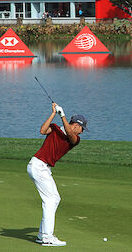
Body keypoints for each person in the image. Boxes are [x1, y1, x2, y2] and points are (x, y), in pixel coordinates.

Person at [27, 102, 87, 247]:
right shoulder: (54, 128)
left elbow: (70, 134)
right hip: (38, 165)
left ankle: (42, 235)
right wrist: (54, 113)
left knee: (54, 198)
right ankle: (47, 237)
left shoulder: (75, 139)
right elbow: (42, 130)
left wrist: (63, 116)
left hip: (43, 168)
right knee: (51, 199)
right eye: (82, 128)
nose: (82, 132)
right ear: (76, 125)